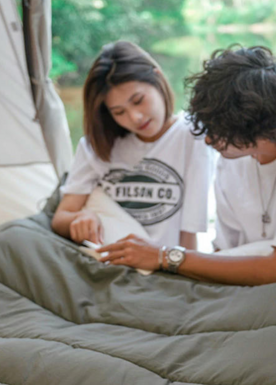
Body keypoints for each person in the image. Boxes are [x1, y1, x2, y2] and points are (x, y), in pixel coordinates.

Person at [99, 46, 276, 285]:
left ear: (262, 129)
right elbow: (224, 253)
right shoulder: (232, 159)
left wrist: (165, 256)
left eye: (219, 132)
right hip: (257, 290)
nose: (208, 139)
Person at [51, 41, 214, 252]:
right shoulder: (98, 146)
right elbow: (60, 218)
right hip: (106, 260)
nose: (135, 117)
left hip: (164, 262)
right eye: (119, 112)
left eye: (138, 101)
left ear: (157, 78)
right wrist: (81, 218)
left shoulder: (192, 136)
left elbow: (189, 234)